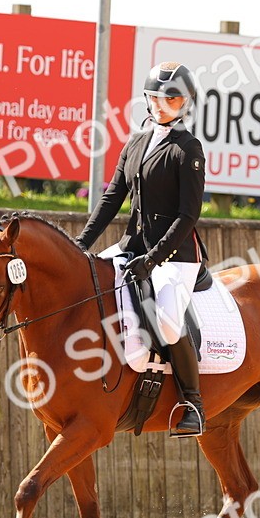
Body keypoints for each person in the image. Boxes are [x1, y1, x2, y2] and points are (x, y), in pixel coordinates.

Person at [73, 61, 208, 438]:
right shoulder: (136, 143)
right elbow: (113, 196)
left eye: (173, 98)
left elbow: (188, 216)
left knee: (166, 319)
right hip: (132, 246)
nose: (164, 105)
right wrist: (82, 244)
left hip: (176, 256)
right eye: (157, 98)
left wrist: (153, 259)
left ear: (185, 103)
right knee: (87, 282)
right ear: (147, 100)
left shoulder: (188, 149)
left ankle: (193, 403)